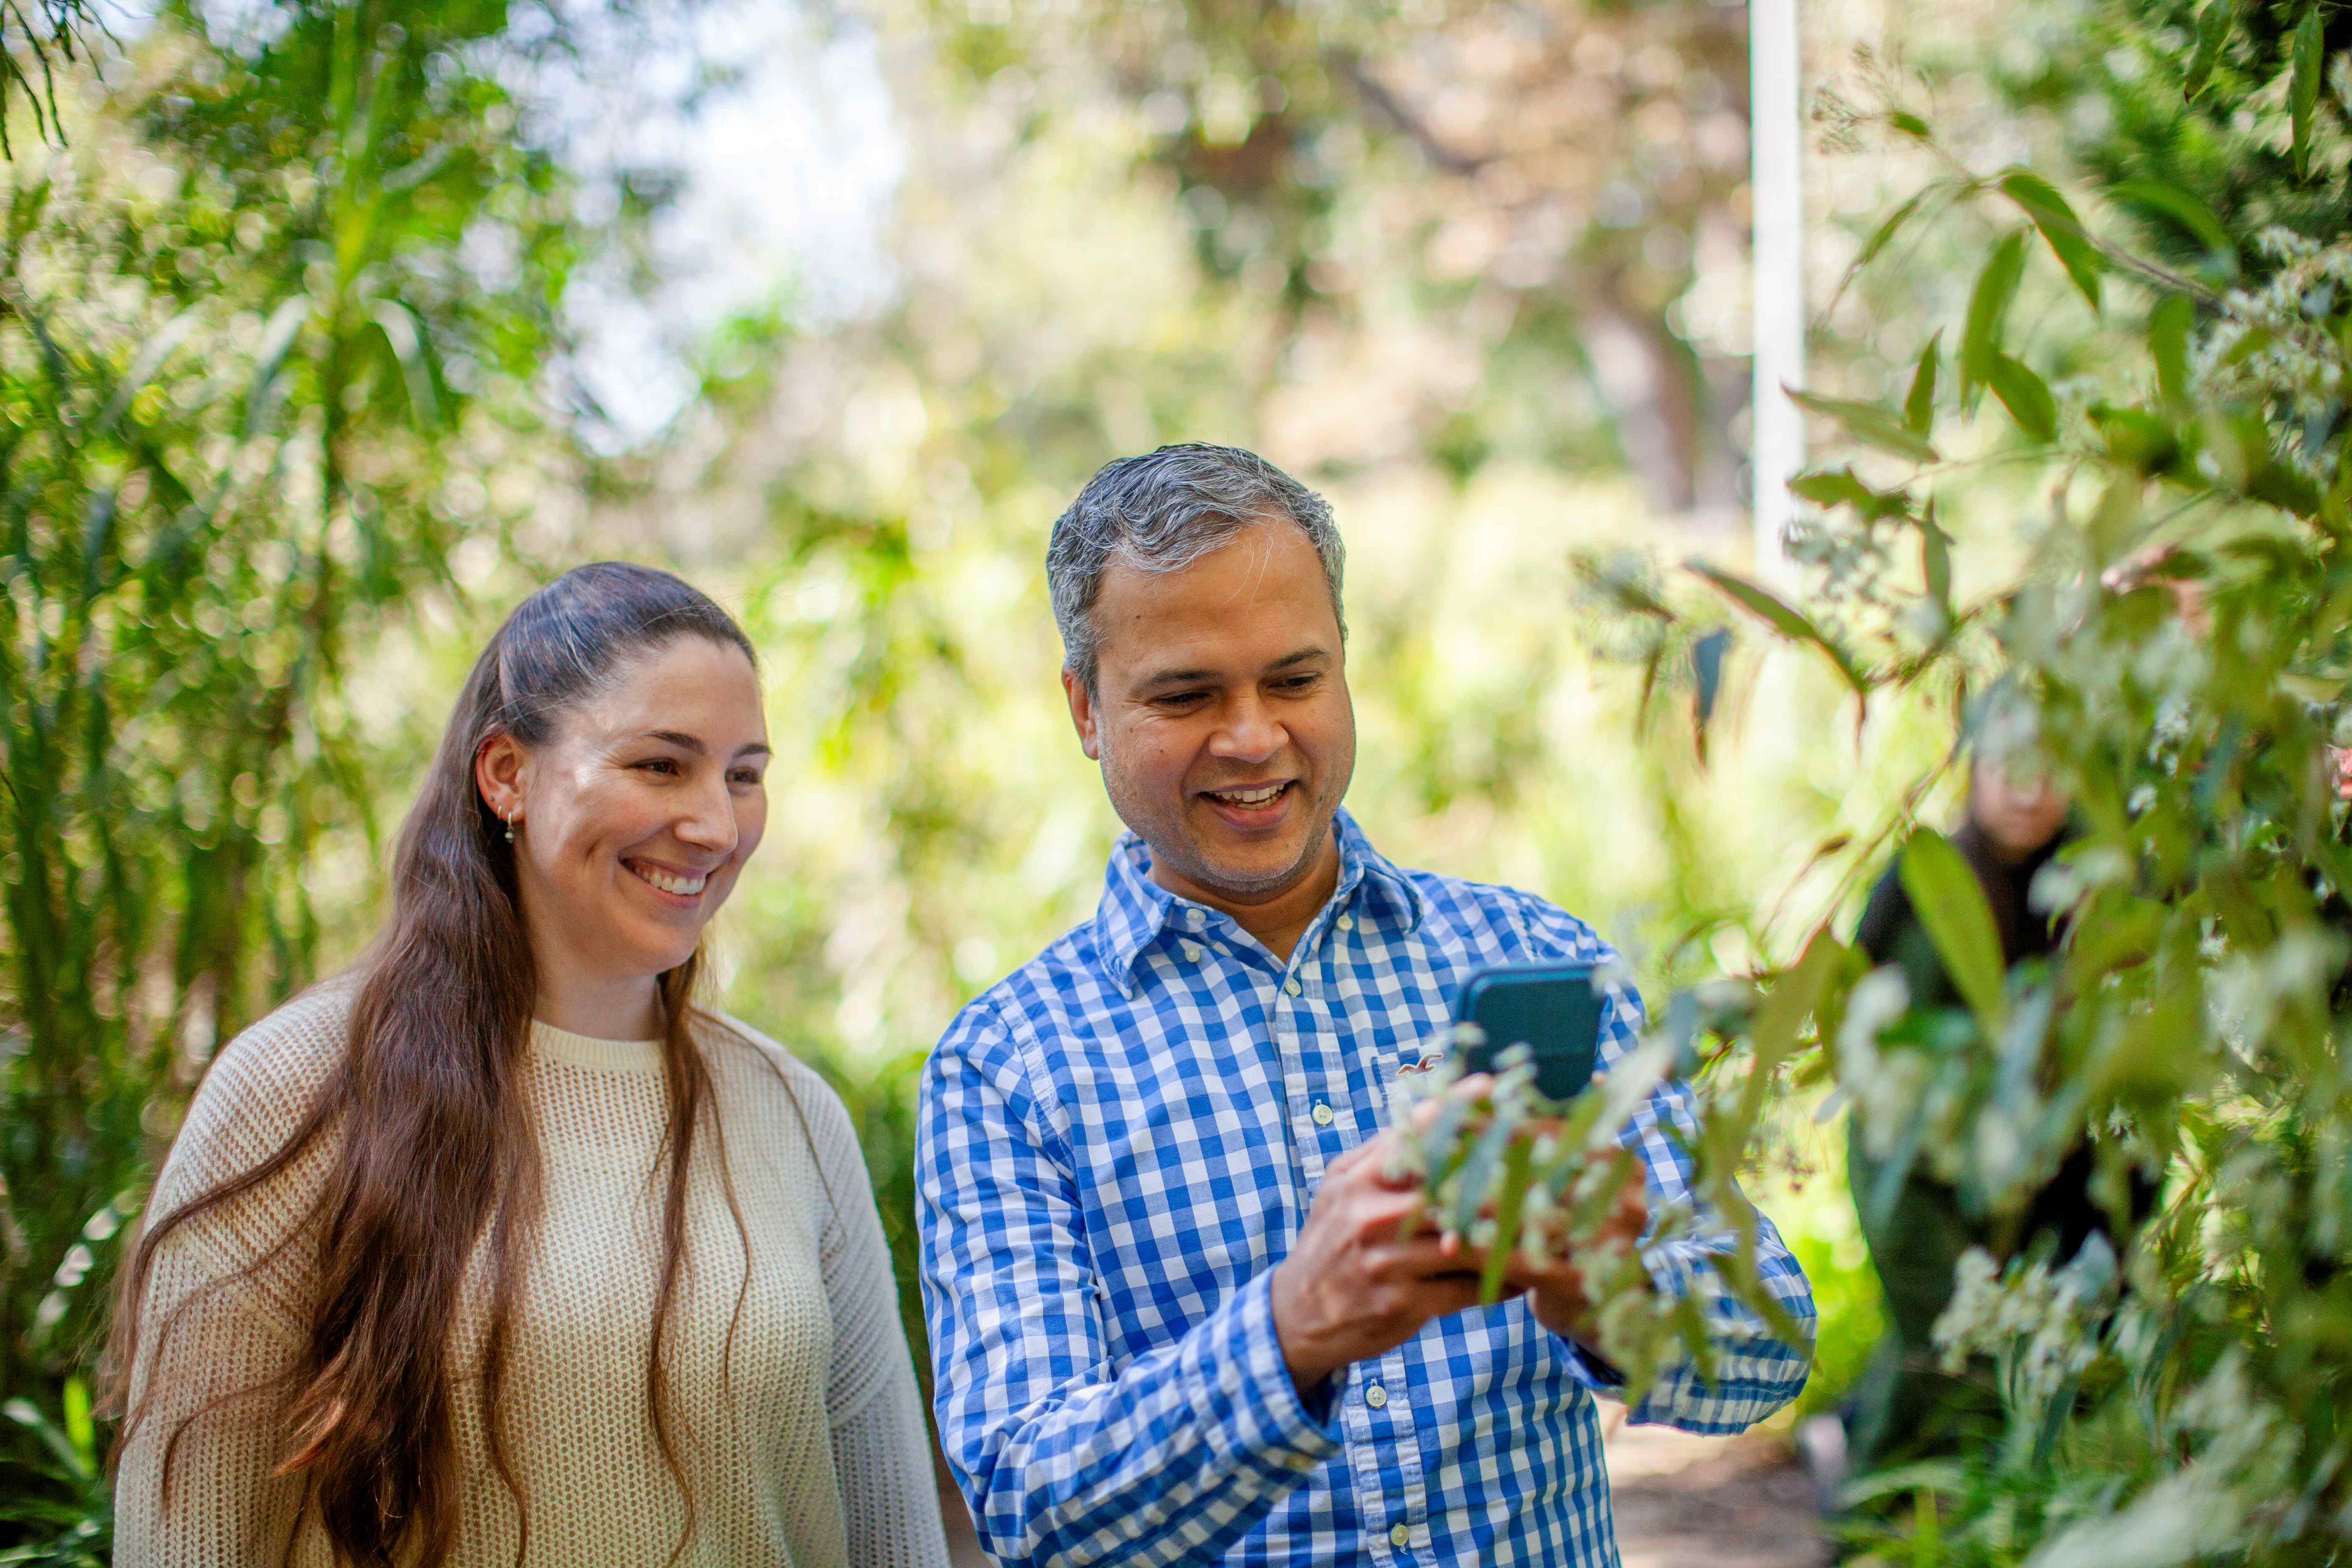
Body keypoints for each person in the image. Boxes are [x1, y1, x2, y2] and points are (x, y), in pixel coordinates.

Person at [917, 444, 1814, 1566]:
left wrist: (1612, 1295)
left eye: (1295, 681)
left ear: (1344, 667)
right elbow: (1026, 1504)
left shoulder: (1539, 956)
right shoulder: (1006, 1069)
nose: (1253, 736)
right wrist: (1290, 1333)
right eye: (1187, 695)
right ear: (1085, 709)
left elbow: (1775, 1348)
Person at [108, 564, 949, 1568]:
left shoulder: (791, 1112)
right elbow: (185, 1538)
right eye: (661, 765)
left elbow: (891, 1534)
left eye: (743, 775)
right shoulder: (294, 1087)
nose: (717, 827)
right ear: (507, 773)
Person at [1841, 746, 2129, 1466]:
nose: (2030, 792)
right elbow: (1856, 1005)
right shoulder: (1923, 873)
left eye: (2049, 771)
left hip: (2015, 1159)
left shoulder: (2087, 878)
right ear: (1975, 772)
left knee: (1974, 1339)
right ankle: (1868, 1503)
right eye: (2012, 769)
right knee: (1946, 1335)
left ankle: (1860, 1450)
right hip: (1905, 1154)